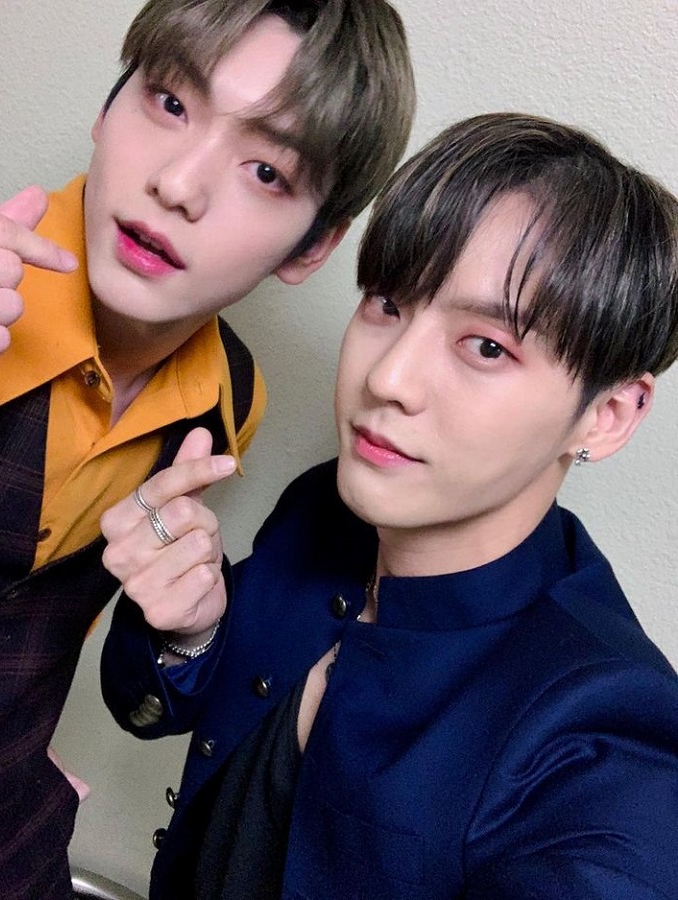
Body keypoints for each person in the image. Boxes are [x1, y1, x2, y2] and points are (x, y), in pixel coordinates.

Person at [102, 111, 678, 899]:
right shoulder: (325, 511)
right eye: (386, 303)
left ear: (604, 416)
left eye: (487, 347)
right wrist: (190, 633)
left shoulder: (602, 734)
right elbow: (152, 711)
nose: (388, 378)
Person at [0, 1, 415, 897]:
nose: (178, 185)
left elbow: (86, 660)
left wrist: (188, 634)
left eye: (266, 171)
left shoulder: (229, 401)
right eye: (169, 103)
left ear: (312, 247)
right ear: (109, 104)